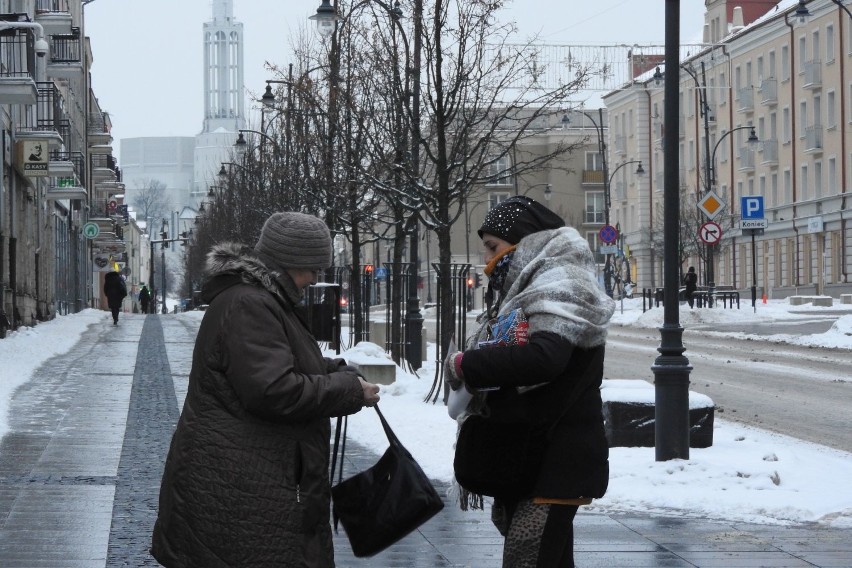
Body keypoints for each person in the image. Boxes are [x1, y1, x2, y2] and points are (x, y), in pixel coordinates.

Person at [151, 212, 381, 568]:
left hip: (248, 476)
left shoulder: (261, 299)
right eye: (313, 267)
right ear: (292, 262)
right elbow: (274, 391)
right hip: (242, 485)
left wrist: (333, 369)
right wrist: (347, 391)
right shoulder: (250, 304)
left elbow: (276, 360)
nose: (316, 278)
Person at [444, 196, 615, 568]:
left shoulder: (562, 284)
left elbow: (543, 359)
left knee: (529, 558)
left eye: (494, 247)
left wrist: (467, 364)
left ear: (527, 242)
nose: (488, 260)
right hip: (534, 456)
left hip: (555, 459)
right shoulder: (535, 286)